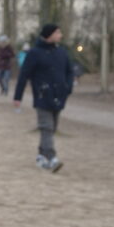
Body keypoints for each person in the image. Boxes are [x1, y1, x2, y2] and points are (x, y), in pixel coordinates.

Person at [13, 23, 74, 173]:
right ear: (49, 35)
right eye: (57, 33)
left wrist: (68, 88)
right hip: (42, 96)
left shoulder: (62, 52)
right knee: (46, 126)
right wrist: (18, 96)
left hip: (59, 96)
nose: (60, 35)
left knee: (52, 128)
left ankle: (41, 155)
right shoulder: (34, 53)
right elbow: (24, 75)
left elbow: (69, 71)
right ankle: (52, 158)